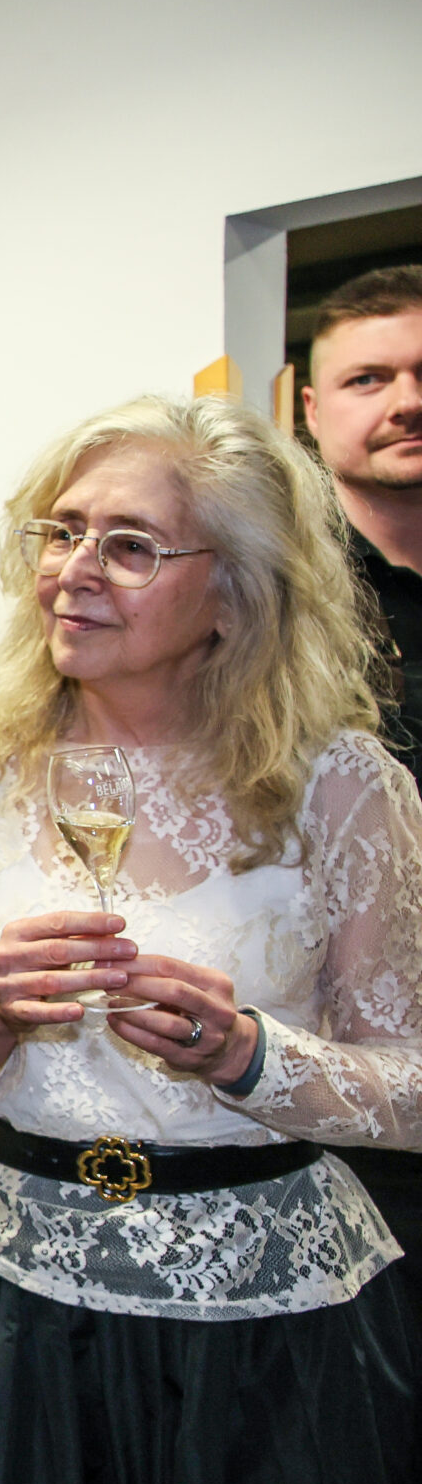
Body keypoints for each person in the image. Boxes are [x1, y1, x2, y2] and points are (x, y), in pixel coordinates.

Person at [0, 393, 422, 1484]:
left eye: (130, 546)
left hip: (263, 1324)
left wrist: (248, 1057)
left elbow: (410, 1084)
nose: (73, 571)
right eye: (60, 532)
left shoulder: (338, 783)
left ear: (234, 592)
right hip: (7, 1305)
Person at [300, 265, 422, 1284]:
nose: (406, 402)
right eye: (368, 378)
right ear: (309, 407)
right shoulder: (266, 602)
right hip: (332, 1080)